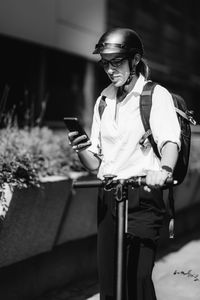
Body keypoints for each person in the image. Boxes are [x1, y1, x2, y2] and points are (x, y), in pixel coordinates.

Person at [68, 28, 181, 300]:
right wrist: (81, 149)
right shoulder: (104, 100)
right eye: (105, 62)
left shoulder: (154, 95)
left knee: (137, 280)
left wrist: (163, 171)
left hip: (143, 196)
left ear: (135, 59)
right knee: (109, 284)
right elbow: (95, 164)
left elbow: (169, 143)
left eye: (116, 62)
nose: (109, 69)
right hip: (109, 197)